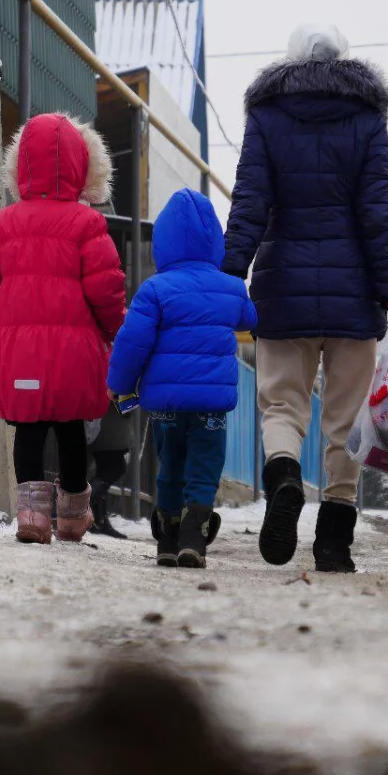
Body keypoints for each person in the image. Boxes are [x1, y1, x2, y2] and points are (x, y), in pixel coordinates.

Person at [223, 23, 388, 574]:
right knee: (346, 420)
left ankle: (283, 475)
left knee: (282, 405)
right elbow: (376, 212)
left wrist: (230, 272)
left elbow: (250, 202)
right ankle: (334, 540)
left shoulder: (266, 116)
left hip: (282, 289)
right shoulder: (367, 118)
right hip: (354, 297)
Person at [0, 113, 125, 544]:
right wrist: (112, 330)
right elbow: (106, 287)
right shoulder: (87, 224)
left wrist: (6, 324)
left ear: (20, 165)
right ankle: (74, 516)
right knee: (72, 428)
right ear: (81, 166)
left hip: (19, 348)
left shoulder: (4, 224)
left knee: (29, 427)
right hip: (75, 351)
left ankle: (33, 519)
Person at [108, 188, 257, 568]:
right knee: (204, 467)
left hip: (167, 406)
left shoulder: (154, 289)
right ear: (214, 241)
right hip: (211, 405)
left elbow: (132, 342)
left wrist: (121, 384)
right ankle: (195, 536)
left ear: (164, 241)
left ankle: (167, 541)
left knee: (170, 464)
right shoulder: (230, 287)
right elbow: (250, 319)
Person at [86, 406, 131, 540]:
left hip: (104, 419)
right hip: (107, 419)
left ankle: (99, 519)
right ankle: (87, 504)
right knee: (114, 468)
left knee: (106, 469)